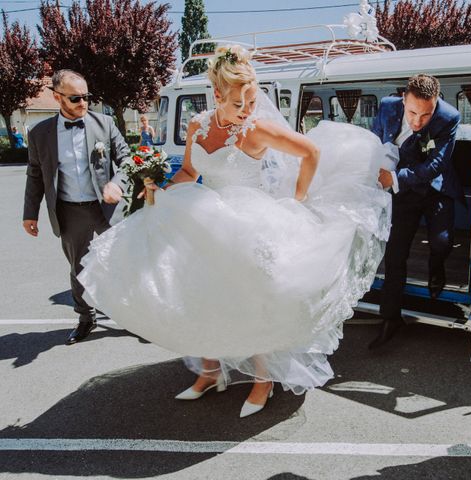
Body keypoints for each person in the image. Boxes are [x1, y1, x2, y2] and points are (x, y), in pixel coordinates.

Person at [78, 45, 391, 417]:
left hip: (249, 222)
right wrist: (160, 190)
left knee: (250, 300)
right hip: (205, 220)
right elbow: (190, 173)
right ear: (217, 96)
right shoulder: (198, 125)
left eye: (252, 100)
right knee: (203, 296)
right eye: (239, 102)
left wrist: (299, 198)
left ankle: (263, 380)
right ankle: (210, 371)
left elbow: (310, 152)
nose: (247, 109)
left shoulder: (257, 131)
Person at [22, 69, 129, 345]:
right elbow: (35, 174)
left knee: (124, 261)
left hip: (106, 208)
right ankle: (86, 318)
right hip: (68, 211)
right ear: (57, 97)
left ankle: (133, 315)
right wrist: (29, 214)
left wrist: (117, 183)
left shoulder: (104, 123)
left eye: (87, 97)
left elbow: (127, 160)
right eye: (75, 98)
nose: (84, 103)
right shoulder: (39, 133)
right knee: (79, 268)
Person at [368, 74, 464, 350]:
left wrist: (394, 178)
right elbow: (376, 141)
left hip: (435, 188)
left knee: (442, 242)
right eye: (412, 112)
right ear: (403, 100)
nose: (418, 121)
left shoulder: (450, 117)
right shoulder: (387, 106)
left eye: (426, 114)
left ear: (436, 105)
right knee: (395, 252)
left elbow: (436, 165)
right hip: (403, 194)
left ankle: (437, 269)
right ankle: (390, 318)